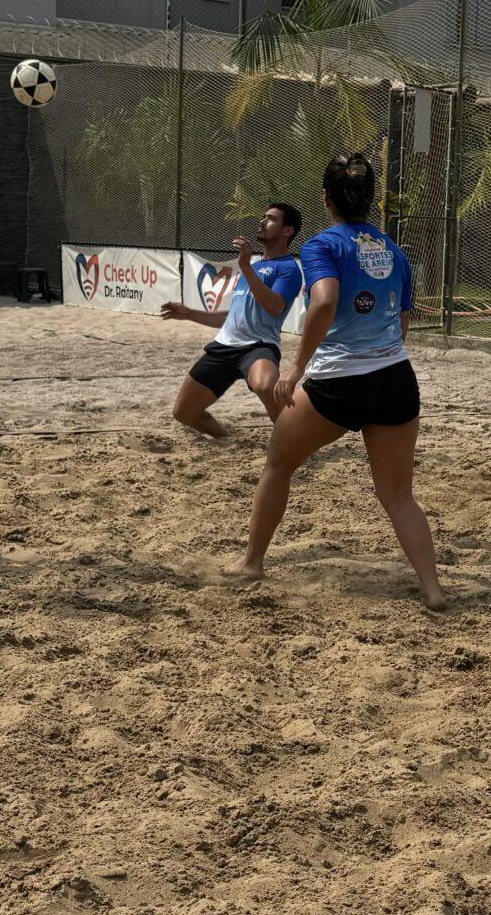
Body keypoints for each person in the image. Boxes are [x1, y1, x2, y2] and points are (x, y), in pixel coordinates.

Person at [232, 152, 446, 610]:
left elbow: (325, 302)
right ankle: (432, 588)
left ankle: (252, 563)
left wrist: (296, 368)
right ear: (369, 198)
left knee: (278, 463)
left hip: (339, 384)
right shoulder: (394, 250)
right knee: (398, 496)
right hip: (395, 380)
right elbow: (402, 322)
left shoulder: (322, 245)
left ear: (326, 198)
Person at [164, 202, 304, 436]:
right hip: (224, 347)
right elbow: (233, 317)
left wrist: (245, 267)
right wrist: (189, 314)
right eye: (263, 217)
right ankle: (225, 438)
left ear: (287, 231)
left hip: (258, 347)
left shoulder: (288, 268)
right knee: (184, 412)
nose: (262, 221)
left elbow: (274, 307)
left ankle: (295, 441)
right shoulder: (253, 267)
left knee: (266, 386)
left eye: (271, 219)